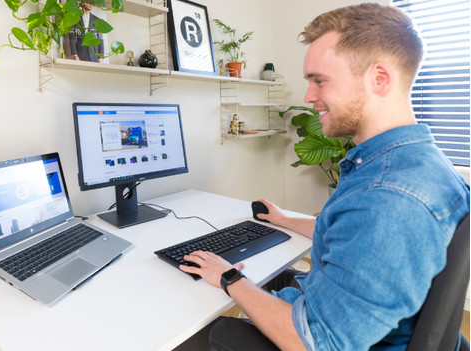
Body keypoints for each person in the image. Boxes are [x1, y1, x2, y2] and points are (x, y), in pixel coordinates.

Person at [180, 3, 470, 350]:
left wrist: (230, 277)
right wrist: (286, 219)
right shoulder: (413, 164)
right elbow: (358, 240)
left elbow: (316, 343)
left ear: (380, 79)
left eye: (320, 81)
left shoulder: (389, 198)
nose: (309, 97)